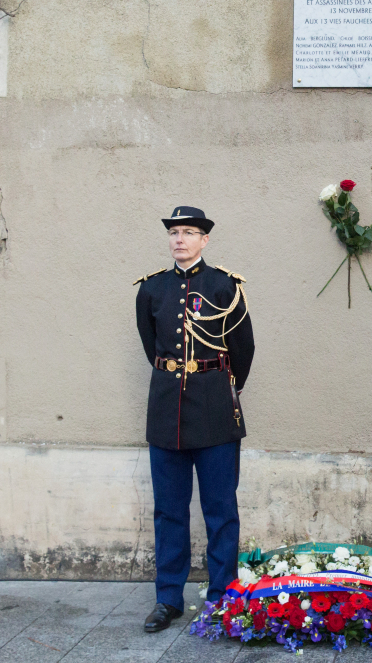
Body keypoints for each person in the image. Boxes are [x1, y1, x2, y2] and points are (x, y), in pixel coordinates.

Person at [133, 206, 254, 633]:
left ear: (205, 240)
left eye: (189, 233)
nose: (180, 239)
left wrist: (217, 387)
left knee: (220, 508)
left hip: (216, 412)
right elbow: (154, 350)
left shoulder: (224, 286)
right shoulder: (152, 289)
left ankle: (225, 598)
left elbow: (243, 350)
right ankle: (169, 599)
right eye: (174, 233)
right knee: (169, 510)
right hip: (167, 412)